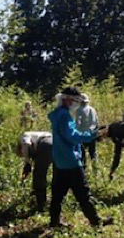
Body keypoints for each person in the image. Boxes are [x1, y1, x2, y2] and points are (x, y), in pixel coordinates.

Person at [47, 86, 112, 228]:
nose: (76, 104)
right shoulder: (64, 116)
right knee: (83, 193)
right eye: (75, 100)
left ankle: (54, 222)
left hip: (59, 159)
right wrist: (94, 135)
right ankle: (96, 222)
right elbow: (73, 136)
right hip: (70, 161)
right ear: (67, 99)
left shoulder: (57, 114)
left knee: (57, 194)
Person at [17, 131, 52, 212]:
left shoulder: (24, 136)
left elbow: (26, 145)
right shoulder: (36, 144)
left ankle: (41, 204)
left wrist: (27, 162)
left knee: (39, 175)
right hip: (57, 143)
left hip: (46, 143)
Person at [75, 93, 98, 169]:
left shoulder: (79, 110)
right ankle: (95, 170)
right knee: (93, 153)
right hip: (92, 134)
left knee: (82, 154)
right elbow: (96, 122)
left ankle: (83, 170)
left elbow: (78, 123)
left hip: (82, 135)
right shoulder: (92, 110)